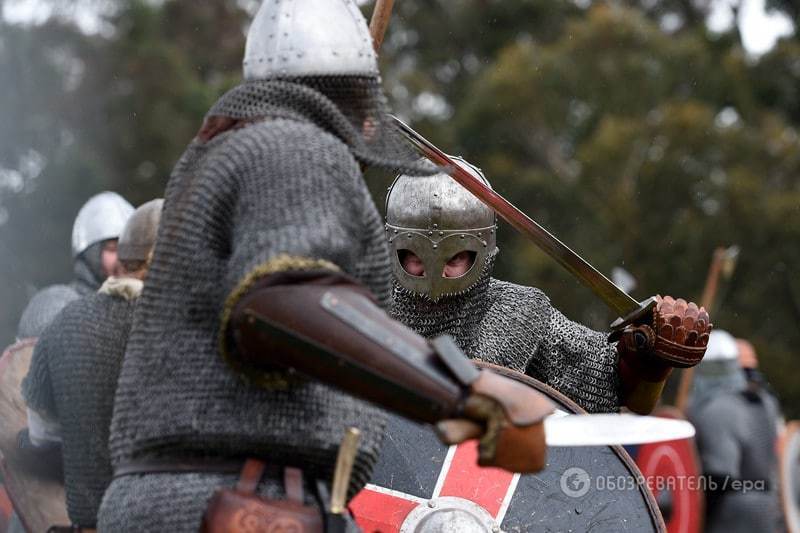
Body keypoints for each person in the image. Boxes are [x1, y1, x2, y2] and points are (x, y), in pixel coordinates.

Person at [98, 3, 552, 531]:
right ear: (351, 92)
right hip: (235, 496)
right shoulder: (291, 144)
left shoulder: (220, 154)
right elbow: (279, 300)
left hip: (186, 493)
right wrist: (460, 392)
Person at [385, 157, 710, 414]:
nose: (434, 272)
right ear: (392, 246)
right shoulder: (360, 302)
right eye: (415, 256)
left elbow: (607, 382)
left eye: (454, 258)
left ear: (482, 251)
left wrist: (645, 360)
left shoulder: (519, 315)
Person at [19, 199, 163, 530]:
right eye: (108, 248)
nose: (114, 259)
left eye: (119, 248)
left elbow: (42, 434)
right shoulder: (58, 310)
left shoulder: (69, 323)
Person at [688, 330, 782, 533]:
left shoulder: (716, 409)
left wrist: (698, 515)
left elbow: (720, 475)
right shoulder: (765, 402)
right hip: (769, 509)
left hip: (732, 516)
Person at [16, 191, 134, 340]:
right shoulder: (57, 303)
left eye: (131, 248)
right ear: (91, 255)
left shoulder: (149, 306)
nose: (124, 258)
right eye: (113, 249)